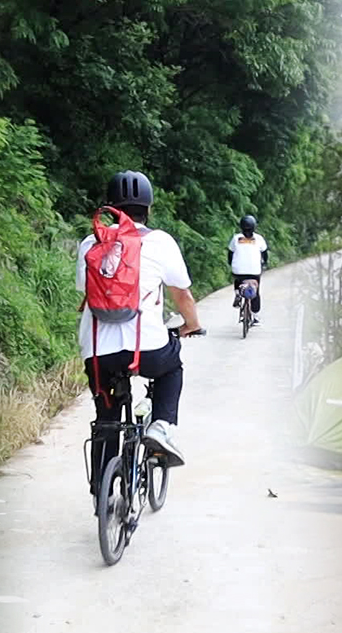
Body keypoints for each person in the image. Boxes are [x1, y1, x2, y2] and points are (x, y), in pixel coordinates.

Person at [78, 170, 202, 501]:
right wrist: (191, 325)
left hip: (98, 351)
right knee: (171, 365)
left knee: (106, 416)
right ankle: (161, 427)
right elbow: (183, 296)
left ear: (110, 207)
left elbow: (83, 289)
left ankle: (102, 495)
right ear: (147, 207)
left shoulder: (91, 243)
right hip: (145, 348)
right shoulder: (160, 242)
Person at [228, 215, 268, 324]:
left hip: (238, 270)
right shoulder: (259, 239)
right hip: (254, 271)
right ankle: (255, 316)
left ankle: (237, 292)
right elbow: (264, 254)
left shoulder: (236, 238)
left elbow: (230, 253)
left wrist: (230, 263)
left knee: (238, 278)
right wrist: (264, 264)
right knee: (256, 292)